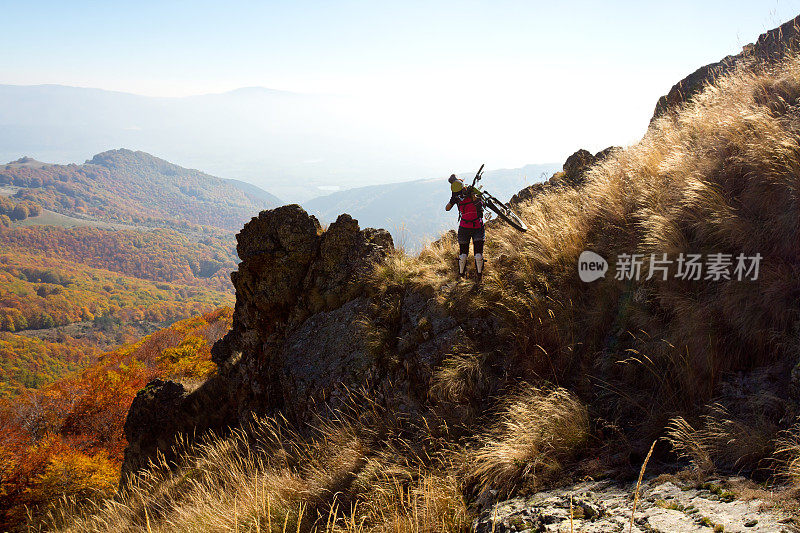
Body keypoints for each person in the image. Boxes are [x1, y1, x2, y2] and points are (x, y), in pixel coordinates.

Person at [445, 174, 484, 281]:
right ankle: (479, 275)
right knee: (478, 254)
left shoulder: (455, 196)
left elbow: (447, 208)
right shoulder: (470, 190)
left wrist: (453, 200)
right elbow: (481, 200)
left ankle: (461, 274)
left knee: (463, 254)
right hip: (477, 225)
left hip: (464, 227)